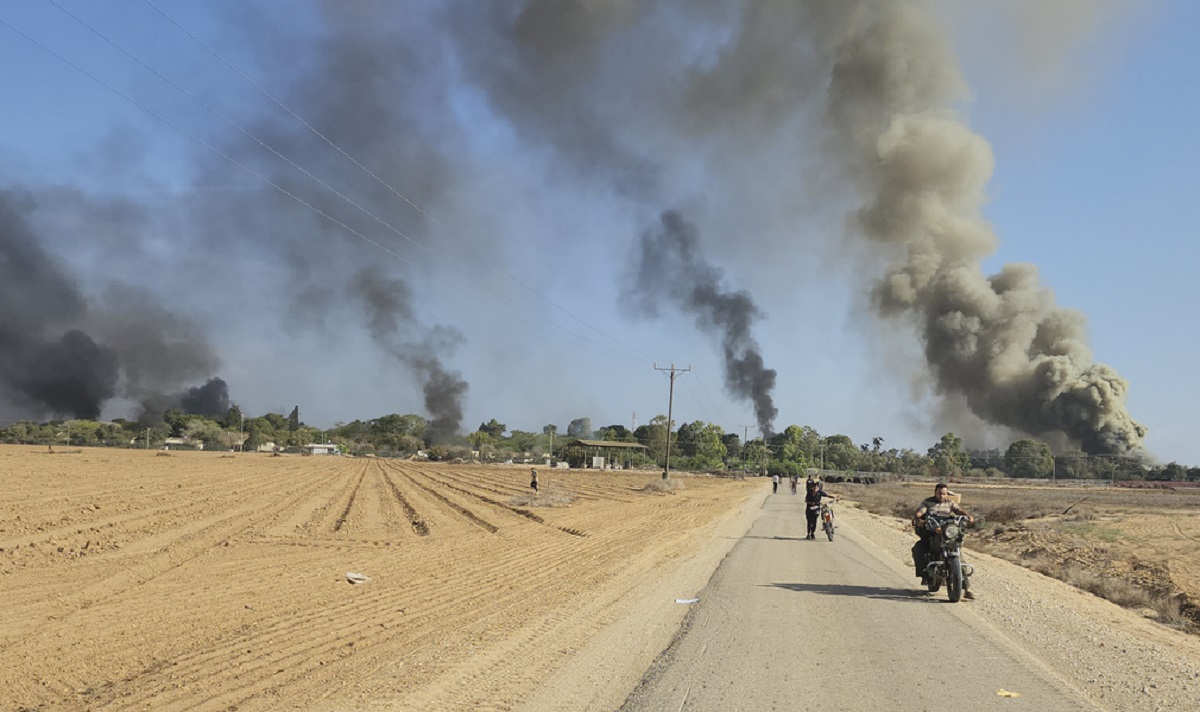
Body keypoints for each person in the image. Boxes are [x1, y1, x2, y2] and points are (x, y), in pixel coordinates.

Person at [912, 483, 974, 598]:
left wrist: (967, 516)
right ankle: (926, 575)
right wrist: (919, 517)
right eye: (939, 493)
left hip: (947, 532)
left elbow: (958, 510)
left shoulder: (949, 502)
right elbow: (921, 510)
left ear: (947, 494)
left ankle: (967, 589)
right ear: (935, 492)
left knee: (960, 556)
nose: (941, 496)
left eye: (944, 493)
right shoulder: (928, 502)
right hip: (933, 532)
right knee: (919, 548)